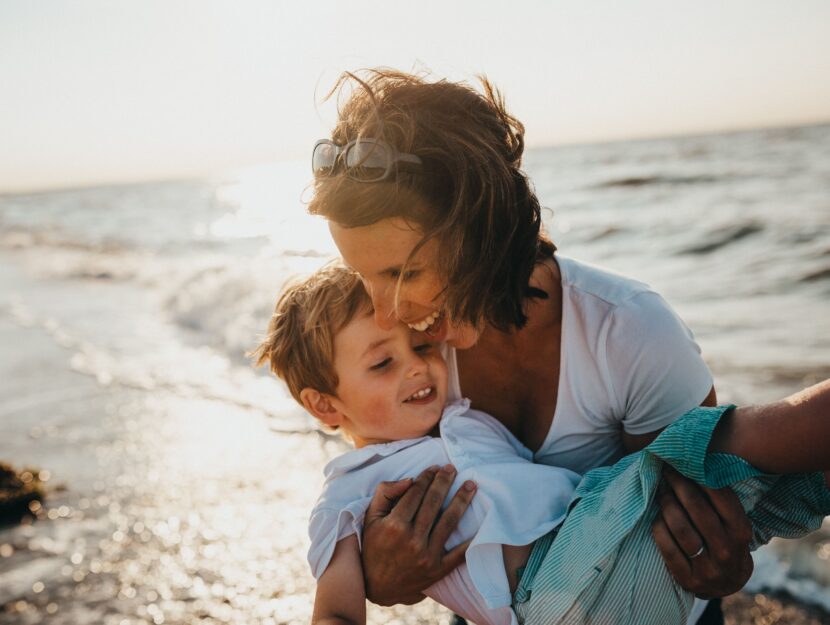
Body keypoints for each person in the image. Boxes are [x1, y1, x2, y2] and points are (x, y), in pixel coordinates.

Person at [306, 69, 751, 624]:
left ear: (482, 229)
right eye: (363, 276)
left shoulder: (630, 333)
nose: (386, 311)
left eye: (403, 272)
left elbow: (700, 522)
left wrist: (725, 564)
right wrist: (383, 575)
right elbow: (384, 480)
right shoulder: (409, 354)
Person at [252, 263, 830, 625]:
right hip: (549, 589)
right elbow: (335, 610)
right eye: (382, 362)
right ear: (325, 405)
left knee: (774, 487)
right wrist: (376, 580)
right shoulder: (349, 492)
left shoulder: (464, 416)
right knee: (713, 444)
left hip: (614, 559)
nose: (418, 368)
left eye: (421, 347)